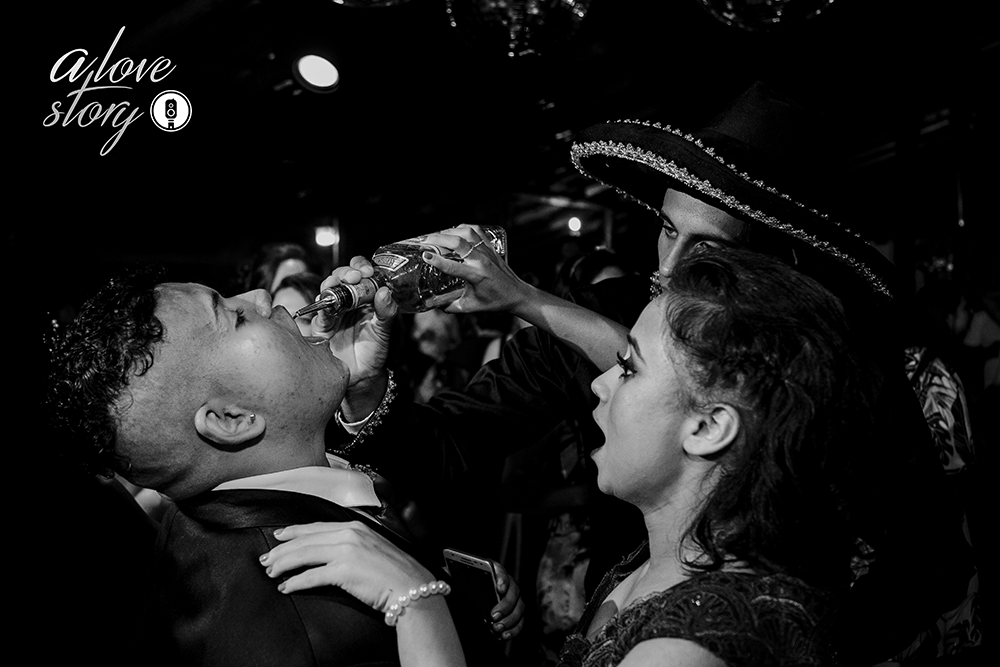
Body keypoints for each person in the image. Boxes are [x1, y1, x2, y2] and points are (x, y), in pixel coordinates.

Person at [322, 81, 971, 665]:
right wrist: (366, 384)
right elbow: (446, 447)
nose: (671, 267)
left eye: (710, 248)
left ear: (776, 269)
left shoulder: (851, 367)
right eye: (666, 230)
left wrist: (757, 637)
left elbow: (929, 564)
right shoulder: (602, 310)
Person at [261, 247, 877, 666]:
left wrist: (415, 605)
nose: (601, 384)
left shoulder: (686, 649)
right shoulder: (662, 557)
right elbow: (446, 442)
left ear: (712, 426)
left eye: (627, 368)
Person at [44, 267, 522, 666]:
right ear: (232, 420)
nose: (259, 295)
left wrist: (458, 600)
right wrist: (423, 603)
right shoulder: (309, 623)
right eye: (234, 317)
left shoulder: (212, 519)